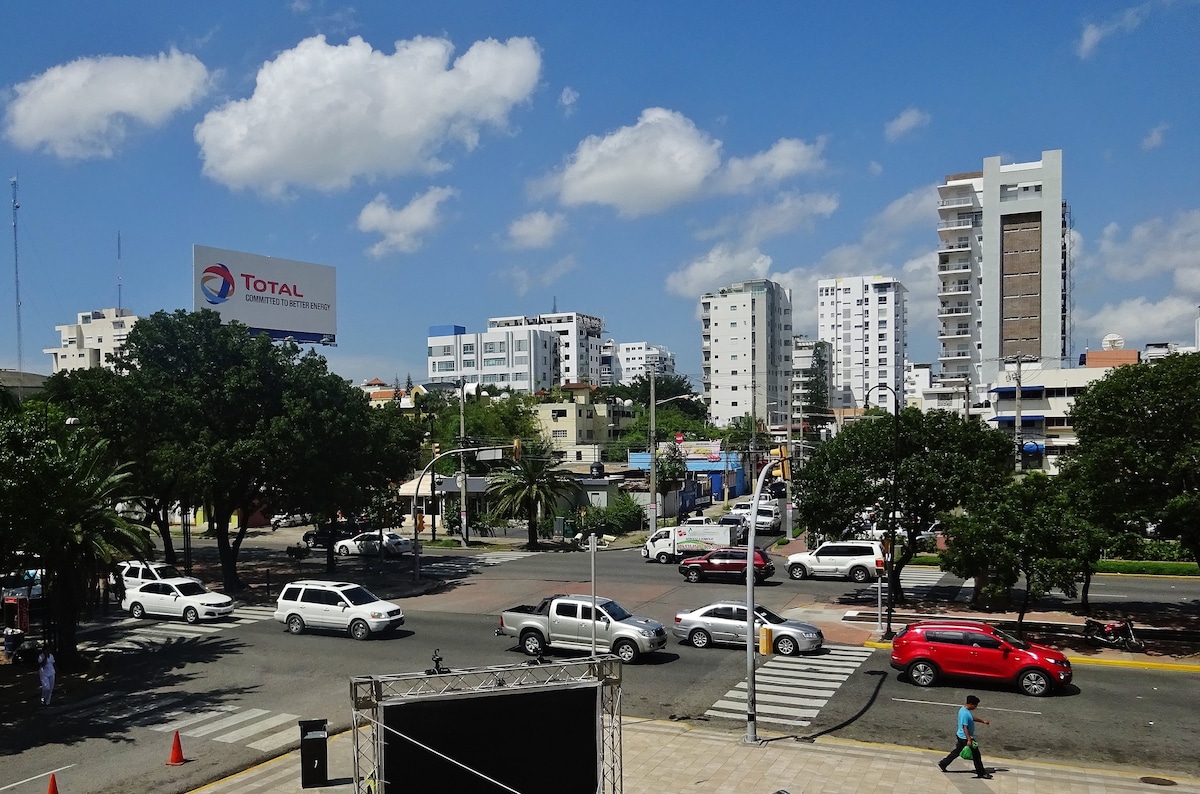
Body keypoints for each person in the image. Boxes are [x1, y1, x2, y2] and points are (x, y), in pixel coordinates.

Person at [938, 694, 990, 778]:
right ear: (971, 704)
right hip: (965, 738)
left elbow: (972, 718)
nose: (976, 707)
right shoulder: (965, 714)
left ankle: (943, 763)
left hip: (961, 736)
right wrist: (969, 739)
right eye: (975, 705)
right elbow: (964, 727)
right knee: (976, 755)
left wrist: (983, 721)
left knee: (957, 751)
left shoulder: (964, 710)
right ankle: (981, 773)